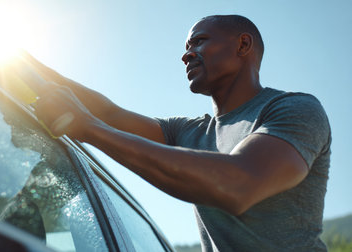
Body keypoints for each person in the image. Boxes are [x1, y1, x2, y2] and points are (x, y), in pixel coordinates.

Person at [24, 15, 331, 251]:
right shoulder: (186, 131)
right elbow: (108, 113)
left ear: (243, 45)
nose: (187, 55)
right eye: (187, 48)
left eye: (199, 42)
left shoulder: (295, 109)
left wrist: (89, 129)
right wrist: (21, 65)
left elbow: (239, 184)